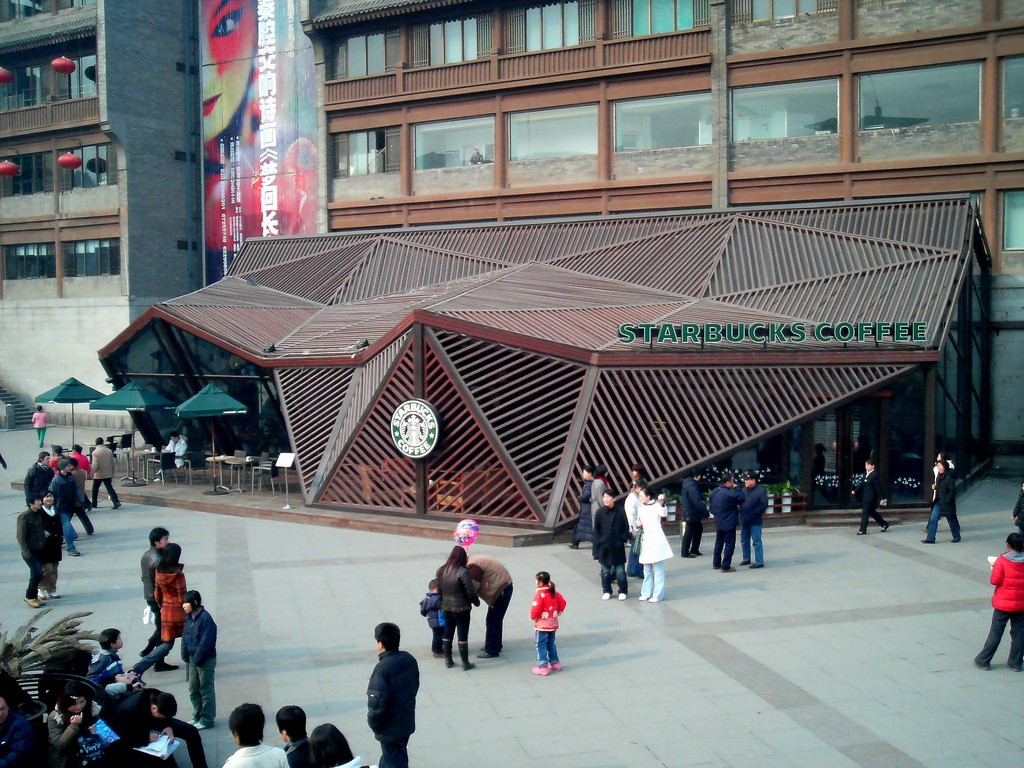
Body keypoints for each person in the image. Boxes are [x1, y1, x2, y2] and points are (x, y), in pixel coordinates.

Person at [110, 688, 208, 768]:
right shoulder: (128, 711)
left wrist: (167, 725)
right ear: (154, 708)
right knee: (164, 755)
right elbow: (123, 739)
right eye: (162, 717)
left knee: (190, 731)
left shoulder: (157, 695)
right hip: (130, 733)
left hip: (152, 721)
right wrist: (146, 738)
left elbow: (165, 717)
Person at [366, 622, 419, 768]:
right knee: (396, 754)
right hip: (406, 719)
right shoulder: (408, 659)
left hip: (389, 727)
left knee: (393, 759)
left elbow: (377, 702)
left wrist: (373, 723)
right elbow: (415, 685)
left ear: (380, 644)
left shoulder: (382, 669)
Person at [974, 532, 1024, 672]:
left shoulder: (1002, 561)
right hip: (1021, 604)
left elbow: (994, 580)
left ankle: (984, 660)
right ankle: (1015, 663)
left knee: (996, 632)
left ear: (1008, 544)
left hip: (1003, 603)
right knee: (1019, 633)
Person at [134, 544, 186, 675]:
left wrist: (162, 605)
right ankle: (193, 659)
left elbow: (157, 594)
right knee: (190, 634)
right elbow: (182, 596)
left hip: (166, 610)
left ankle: (145, 663)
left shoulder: (159, 571)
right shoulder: (178, 574)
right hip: (178, 611)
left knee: (167, 641)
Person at [435, 545, 480, 670]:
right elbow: (470, 591)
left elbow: (439, 590)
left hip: (446, 607)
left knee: (447, 633)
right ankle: (465, 663)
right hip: (462, 608)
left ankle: (448, 660)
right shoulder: (462, 571)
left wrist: (441, 603)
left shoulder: (441, 570)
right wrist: (476, 602)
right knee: (462, 635)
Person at [47, 681, 107, 768]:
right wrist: (73, 726)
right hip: (68, 755)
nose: (79, 706)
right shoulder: (56, 717)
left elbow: (100, 729)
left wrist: (93, 729)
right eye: (73, 704)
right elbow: (58, 746)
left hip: (91, 749)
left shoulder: (92, 708)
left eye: (82, 701)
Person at [181, 590, 217, 730]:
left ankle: (207, 719)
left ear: (195, 603)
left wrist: (197, 658)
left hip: (204, 659)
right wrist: (184, 653)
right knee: (193, 688)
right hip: (192, 658)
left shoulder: (206, 619)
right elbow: (185, 636)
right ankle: (197, 715)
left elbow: (206, 642)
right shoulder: (189, 617)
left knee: (205, 689)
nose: (183, 606)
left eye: (186, 603)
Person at [466, 554, 514, 659]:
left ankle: (492, 650)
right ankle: (496, 645)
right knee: (495, 619)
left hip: (501, 589)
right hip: (505, 586)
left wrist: (469, 599)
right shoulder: (474, 560)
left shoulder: (473, 566)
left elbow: (473, 587)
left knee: (493, 620)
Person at [139, 527, 174, 666]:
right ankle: (158, 661)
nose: (167, 542)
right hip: (158, 598)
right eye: (165, 539)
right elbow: (163, 582)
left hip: (149, 595)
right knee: (164, 631)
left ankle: (148, 648)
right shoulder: (158, 560)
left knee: (161, 625)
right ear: (156, 542)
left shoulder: (146, 555)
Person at [636, 485, 674, 600]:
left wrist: (661, 502)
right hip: (645, 538)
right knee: (646, 568)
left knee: (658, 568)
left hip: (656, 538)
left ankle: (658, 594)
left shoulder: (656, 505)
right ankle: (646, 593)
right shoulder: (640, 507)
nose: (640, 498)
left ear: (648, 497)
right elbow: (639, 520)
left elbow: (663, 513)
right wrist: (638, 523)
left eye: (642, 496)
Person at [49, 458, 92, 556]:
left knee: (65, 526)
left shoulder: (70, 476)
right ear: (62, 468)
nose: (70, 467)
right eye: (68, 466)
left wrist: (81, 500)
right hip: (61, 507)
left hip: (70, 505)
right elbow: (52, 493)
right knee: (66, 525)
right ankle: (70, 547)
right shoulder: (56, 480)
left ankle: (67, 537)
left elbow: (76, 489)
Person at [593, 489, 630, 600]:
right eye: (604, 497)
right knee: (605, 571)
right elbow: (597, 530)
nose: (606, 499)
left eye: (608, 497)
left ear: (613, 499)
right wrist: (598, 543)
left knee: (620, 571)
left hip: (617, 546)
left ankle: (623, 591)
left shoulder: (620, 511)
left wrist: (622, 539)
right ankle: (607, 590)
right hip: (604, 546)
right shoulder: (599, 512)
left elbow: (625, 526)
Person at [88, 627, 144, 700]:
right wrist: (124, 683)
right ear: (113, 645)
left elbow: (120, 673)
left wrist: (131, 677)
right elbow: (92, 680)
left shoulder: (113, 656)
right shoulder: (104, 659)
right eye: (119, 638)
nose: (121, 640)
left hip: (116, 682)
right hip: (108, 692)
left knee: (133, 675)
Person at [529, 571, 567, 676]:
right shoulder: (553, 592)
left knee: (540, 644)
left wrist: (532, 616)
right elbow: (563, 602)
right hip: (553, 623)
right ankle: (555, 663)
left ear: (539, 581)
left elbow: (536, 607)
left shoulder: (540, 594)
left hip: (542, 625)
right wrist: (558, 612)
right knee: (551, 643)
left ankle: (542, 666)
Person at [16, 495, 47, 609]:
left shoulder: (38, 514)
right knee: (37, 573)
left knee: (37, 573)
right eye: (37, 500)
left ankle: (33, 596)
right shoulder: (24, 517)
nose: (40, 502)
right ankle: (29, 596)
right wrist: (26, 552)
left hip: (39, 549)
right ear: (31, 503)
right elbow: (21, 536)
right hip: (30, 551)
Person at [708, 474, 744, 572]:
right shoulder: (729, 493)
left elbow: (711, 507)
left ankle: (716, 563)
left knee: (719, 542)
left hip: (719, 520)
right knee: (729, 544)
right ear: (728, 482)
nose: (733, 483)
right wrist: (737, 488)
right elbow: (741, 498)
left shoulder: (715, 491)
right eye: (732, 481)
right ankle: (725, 565)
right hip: (729, 521)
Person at [923, 458, 961, 544]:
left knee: (951, 520)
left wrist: (947, 500)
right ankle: (930, 538)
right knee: (933, 519)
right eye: (938, 466)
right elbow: (940, 487)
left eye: (940, 466)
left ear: (944, 467)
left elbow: (952, 491)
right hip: (938, 501)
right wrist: (935, 487)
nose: (938, 468)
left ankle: (956, 536)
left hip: (947, 503)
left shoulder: (949, 477)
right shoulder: (939, 476)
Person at [739, 471, 768, 569]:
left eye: (747, 480)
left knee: (756, 541)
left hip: (755, 520)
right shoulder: (743, 490)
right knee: (744, 540)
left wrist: (755, 513)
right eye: (745, 480)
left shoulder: (761, 490)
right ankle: (746, 558)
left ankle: (759, 561)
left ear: (753, 480)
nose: (745, 481)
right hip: (744, 519)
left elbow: (763, 504)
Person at [38, 490, 63, 600]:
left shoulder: (55, 510)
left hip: (55, 544)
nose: (49, 499)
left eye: (51, 496)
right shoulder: (39, 512)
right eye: (47, 497)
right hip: (44, 545)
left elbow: (60, 525)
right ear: (42, 499)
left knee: (54, 569)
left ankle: (52, 589)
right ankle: (41, 588)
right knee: (47, 569)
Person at [680, 467, 709, 558]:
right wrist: (705, 512)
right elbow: (697, 501)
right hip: (692, 512)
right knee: (689, 531)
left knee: (697, 529)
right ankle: (685, 552)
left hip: (689, 511)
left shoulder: (687, 483)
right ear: (697, 476)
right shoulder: (692, 487)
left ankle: (694, 549)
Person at [0, 694, 37, 767]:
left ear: (7, 707)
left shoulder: (20, 725)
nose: (0, 713)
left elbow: (18, 755)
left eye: (2, 709)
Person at [856, 458, 889, 536]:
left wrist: (882, 498)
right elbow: (862, 483)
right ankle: (884, 524)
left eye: (868, 465)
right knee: (872, 512)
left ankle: (862, 530)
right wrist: (855, 491)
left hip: (871, 498)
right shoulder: (866, 474)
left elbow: (879, 488)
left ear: (873, 466)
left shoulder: (874, 475)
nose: (866, 467)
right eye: (866, 465)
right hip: (866, 497)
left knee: (865, 513)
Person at [89, 438, 121, 509]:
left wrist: (91, 473)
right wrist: (112, 472)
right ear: (103, 442)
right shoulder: (109, 451)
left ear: (96, 443)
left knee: (95, 489)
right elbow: (112, 462)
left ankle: (94, 503)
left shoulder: (95, 452)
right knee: (109, 488)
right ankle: (116, 502)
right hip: (108, 472)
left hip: (98, 474)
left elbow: (95, 464)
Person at [569, 466, 595, 550]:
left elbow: (585, 497)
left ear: (589, 473)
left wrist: (580, 497)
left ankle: (575, 543)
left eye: (584, 472)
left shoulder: (589, 484)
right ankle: (575, 542)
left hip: (587, 509)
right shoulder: (589, 483)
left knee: (583, 526)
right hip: (586, 509)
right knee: (581, 526)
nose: (583, 474)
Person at [418, 579, 444, 658]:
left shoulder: (427, 598)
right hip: (438, 621)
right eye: (439, 589)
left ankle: (438, 649)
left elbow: (423, 610)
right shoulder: (436, 598)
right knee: (438, 637)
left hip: (432, 621)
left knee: (437, 635)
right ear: (433, 589)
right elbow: (441, 605)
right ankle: (437, 651)